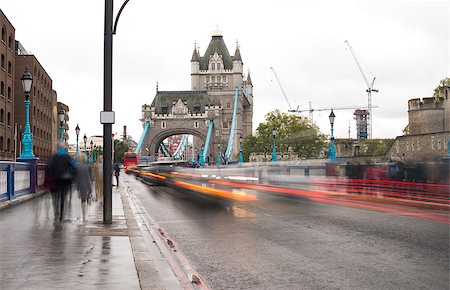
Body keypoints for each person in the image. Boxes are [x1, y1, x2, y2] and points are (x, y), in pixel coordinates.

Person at [47, 144, 76, 225]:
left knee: (55, 198)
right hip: (65, 180)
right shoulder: (67, 157)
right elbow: (73, 167)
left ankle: (56, 214)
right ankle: (61, 216)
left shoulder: (54, 157)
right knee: (63, 198)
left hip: (55, 180)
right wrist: (72, 177)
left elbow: (49, 167)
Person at [75, 156, 92, 222]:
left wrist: (77, 186)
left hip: (80, 184)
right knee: (85, 198)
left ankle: (83, 213)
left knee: (82, 199)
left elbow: (76, 177)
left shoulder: (77, 167)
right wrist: (90, 187)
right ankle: (85, 214)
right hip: (86, 184)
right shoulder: (87, 166)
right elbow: (88, 177)